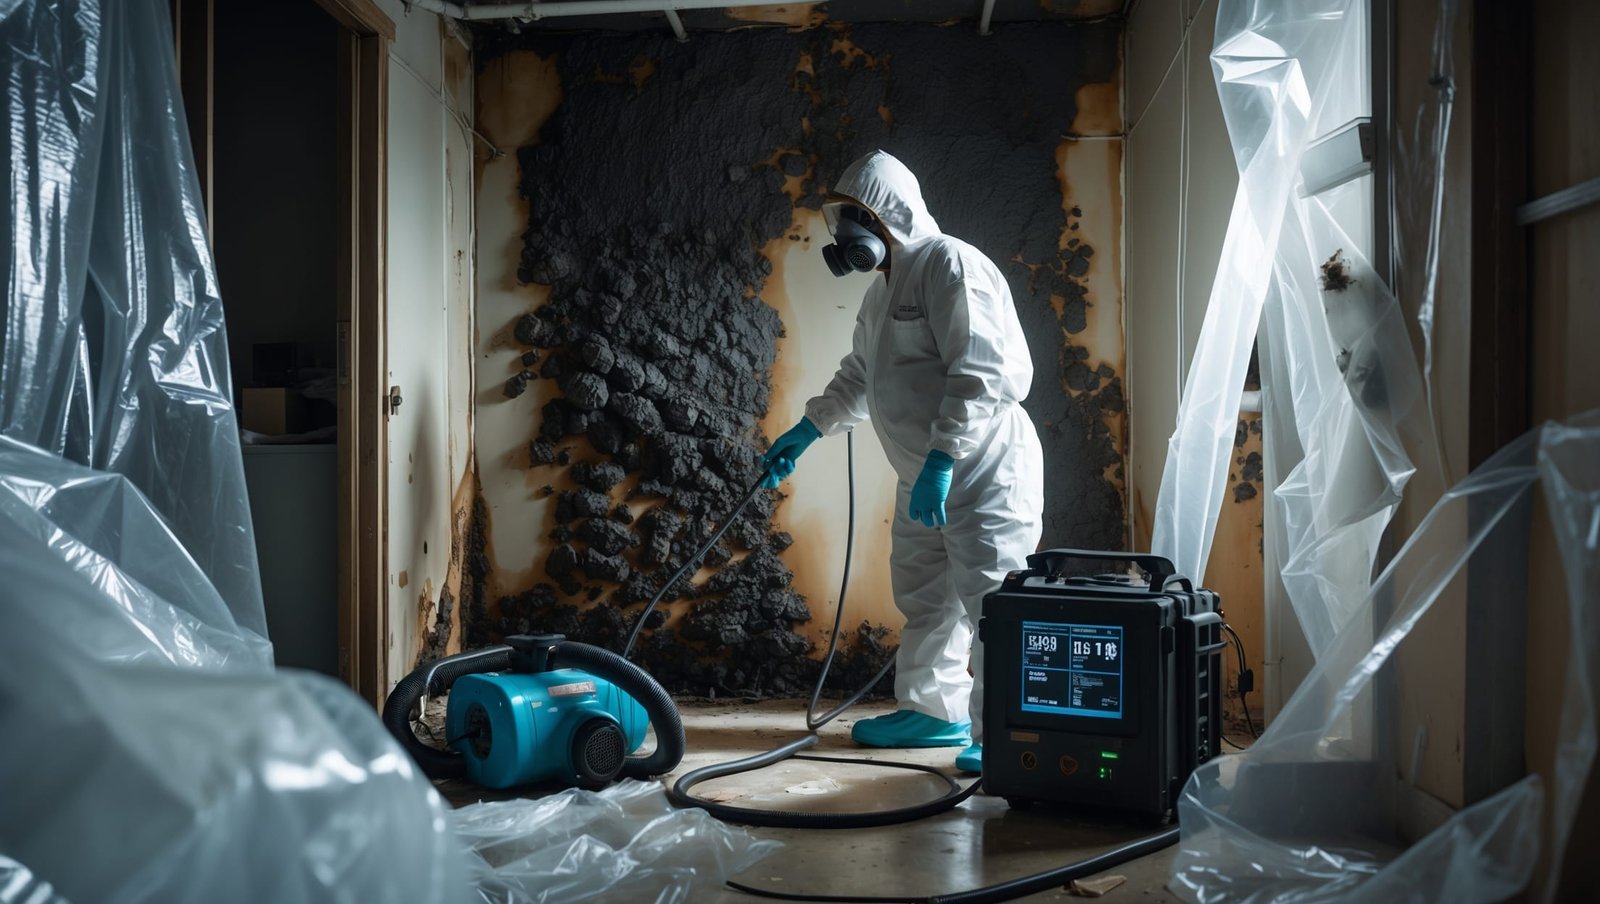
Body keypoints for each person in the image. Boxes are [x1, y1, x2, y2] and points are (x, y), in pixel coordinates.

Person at [762, 150, 1043, 773]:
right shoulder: (883, 288)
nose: (847, 238)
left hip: (983, 468)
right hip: (923, 472)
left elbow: (983, 372)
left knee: (993, 601)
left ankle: (1006, 731)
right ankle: (933, 712)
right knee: (927, 595)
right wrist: (810, 427)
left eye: (857, 219)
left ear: (891, 213)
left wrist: (946, 456)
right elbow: (862, 373)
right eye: (843, 222)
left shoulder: (950, 265)